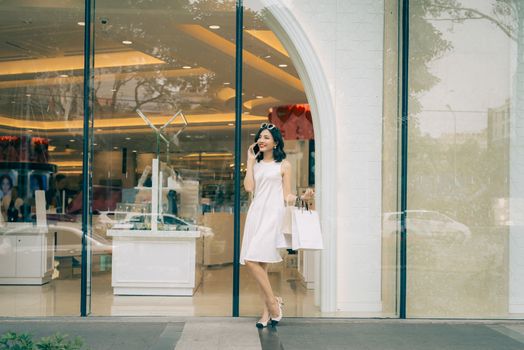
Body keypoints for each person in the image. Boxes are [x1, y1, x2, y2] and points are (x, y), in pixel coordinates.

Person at [241, 122, 313, 328]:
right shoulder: (256, 164)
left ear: (275, 142)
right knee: (259, 264)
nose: (261, 141)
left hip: (273, 215)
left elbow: (287, 195)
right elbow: (249, 187)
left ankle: (272, 304)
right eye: (260, 137)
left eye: (266, 138)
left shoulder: (284, 165)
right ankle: (269, 309)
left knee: (251, 260)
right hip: (256, 214)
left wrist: (302, 197)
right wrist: (249, 161)